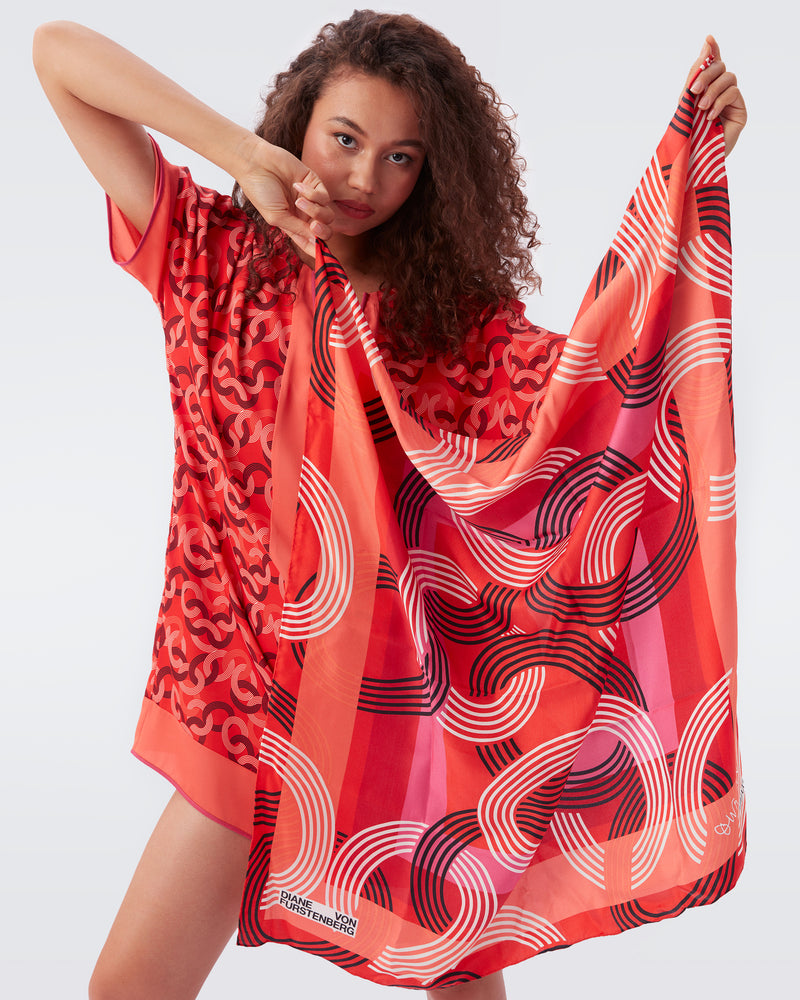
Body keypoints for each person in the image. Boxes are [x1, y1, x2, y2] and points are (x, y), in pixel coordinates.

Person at [33, 12, 746, 1000]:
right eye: (345, 138)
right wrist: (244, 157)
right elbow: (57, 56)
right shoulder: (210, 259)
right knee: (129, 988)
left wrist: (689, 181)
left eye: (401, 156)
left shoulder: (457, 333)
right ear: (300, 123)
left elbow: (603, 404)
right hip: (240, 710)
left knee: (455, 978)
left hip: (392, 726)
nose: (365, 177)